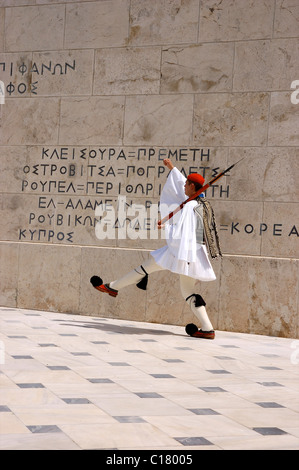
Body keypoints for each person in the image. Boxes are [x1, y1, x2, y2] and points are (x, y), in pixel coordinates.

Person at [90, 158, 222, 339]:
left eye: (187, 185)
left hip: (182, 252)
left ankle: (112, 287)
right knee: (186, 290)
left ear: (192, 186)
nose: (184, 187)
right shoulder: (200, 202)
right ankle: (207, 329)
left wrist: (165, 227)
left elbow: (182, 233)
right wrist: (172, 168)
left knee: (147, 267)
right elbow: (185, 189)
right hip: (194, 253)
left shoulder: (190, 206)